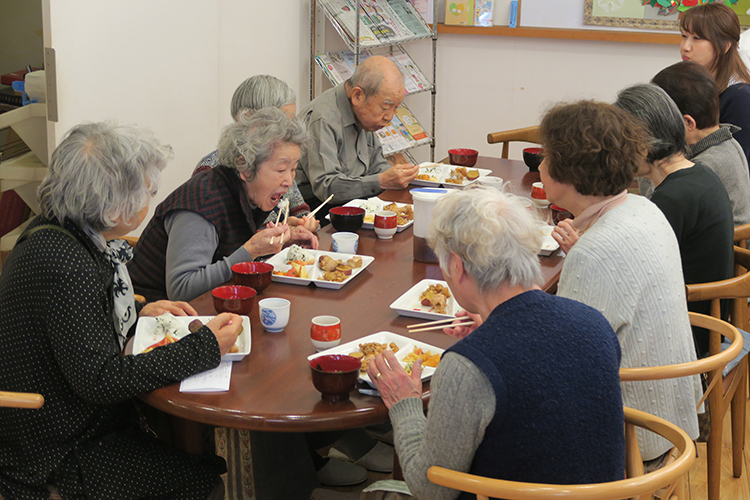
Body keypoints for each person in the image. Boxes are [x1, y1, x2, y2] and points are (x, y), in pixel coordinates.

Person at [0, 122, 244, 500]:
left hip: (57, 419)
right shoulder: (67, 266)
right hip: (57, 447)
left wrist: (134, 313)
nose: (149, 201)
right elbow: (100, 380)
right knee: (204, 481)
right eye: (147, 192)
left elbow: (73, 324)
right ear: (115, 208)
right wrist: (205, 346)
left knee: (187, 444)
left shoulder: (55, 231)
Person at [367, 187, 626, 500]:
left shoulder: (469, 365)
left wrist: (405, 404)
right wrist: (492, 325)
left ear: (457, 266)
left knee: (376, 492)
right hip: (606, 494)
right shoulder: (593, 322)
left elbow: (432, 488)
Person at [494, 100, 700, 466]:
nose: (540, 164)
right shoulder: (642, 208)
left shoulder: (596, 251)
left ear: (565, 171)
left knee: (485, 406)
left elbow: (564, 372)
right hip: (670, 418)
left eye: (546, 156)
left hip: (632, 435)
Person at [129, 107, 319, 303]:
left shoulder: (244, 192)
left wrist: (279, 243)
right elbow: (182, 289)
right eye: (281, 169)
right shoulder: (202, 204)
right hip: (151, 315)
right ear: (245, 167)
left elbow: (228, 249)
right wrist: (252, 250)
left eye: (294, 169)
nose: (289, 181)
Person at [615, 83, 735, 357]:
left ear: (642, 147)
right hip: (711, 326)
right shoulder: (700, 175)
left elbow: (630, 277)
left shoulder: (672, 199)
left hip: (685, 339)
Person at [192, 75, 317, 233]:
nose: (290, 131)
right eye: (281, 123)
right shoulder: (211, 171)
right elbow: (224, 240)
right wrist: (271, 234)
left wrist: (303, 223)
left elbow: (300, 210)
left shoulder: (282, 163)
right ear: (246, 120)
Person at [297, 55, 419, 214]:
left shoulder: (365, 117)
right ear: (357, 96)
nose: (389, 117)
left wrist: (398, 177)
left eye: (395, 108)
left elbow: (377, 167)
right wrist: (381, 181)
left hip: (354, 202)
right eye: (385, 108)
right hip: (316, 211)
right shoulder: (323, 119)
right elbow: (326, 188)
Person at [652, 60, 750, 226]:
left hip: (727, 249)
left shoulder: (701, 167)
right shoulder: (728, 141)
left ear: (688, 123)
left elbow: (658, 214)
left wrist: (651, 160)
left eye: (660, 119)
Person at [679, 2, 750, 163]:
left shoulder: (740, 96)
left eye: (696, 38)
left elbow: (735, 163)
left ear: (724, 46)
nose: (685, 47)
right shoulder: (688, 83)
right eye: (684, 36)